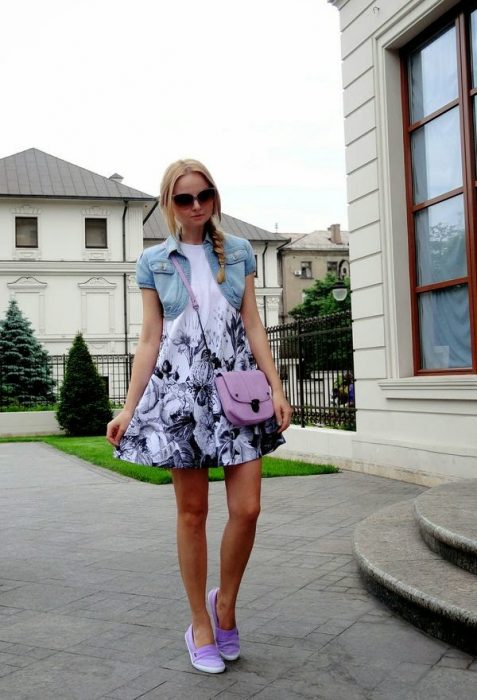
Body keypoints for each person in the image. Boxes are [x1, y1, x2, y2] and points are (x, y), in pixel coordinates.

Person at [106, 158, 292, 674]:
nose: (195, 206)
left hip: (240, 394)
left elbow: (254, 327)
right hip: (180, 397)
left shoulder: (237, 252)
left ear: (214, 197)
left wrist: (277, 388)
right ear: (170, 204)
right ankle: (200, 625)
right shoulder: (155, 261)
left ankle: (225, 605)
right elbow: (149, 340)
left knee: (248, 509)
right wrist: (127, 407)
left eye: (203, 195)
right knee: (192, 514)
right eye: (184, 199)